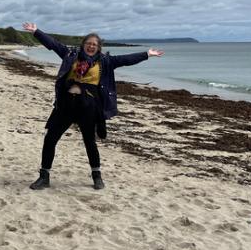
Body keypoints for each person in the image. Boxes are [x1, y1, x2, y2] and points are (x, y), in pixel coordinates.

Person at [22, 22, 163, 190]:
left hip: (88, 107)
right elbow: (53, 44)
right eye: (88, 43)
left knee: (89, 142)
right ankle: (44, 176)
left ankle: (97, 176)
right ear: (83, 44)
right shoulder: (70, 54)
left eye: (94, 45)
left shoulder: (105, 61)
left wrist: (147, 54)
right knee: (50, 139)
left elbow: (126, 60)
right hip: (66, 105)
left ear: (99, 48)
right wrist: (36, 31)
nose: (91, 46)